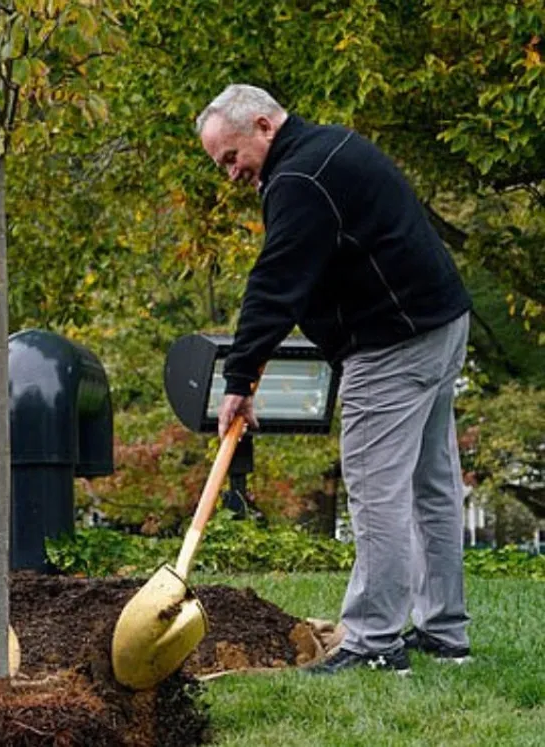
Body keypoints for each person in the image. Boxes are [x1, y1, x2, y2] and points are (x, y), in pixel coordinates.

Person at [196, 84, 473, 675]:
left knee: (378, 495)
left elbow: (275, 283)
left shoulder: (300, 180)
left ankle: (374, 641)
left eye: (230, 157)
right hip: (439, 324)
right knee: (433, 485)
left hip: (394, 344)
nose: (229, 174)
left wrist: (239, 379)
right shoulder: (328, 148)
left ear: (264, 127)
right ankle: (445, 633)